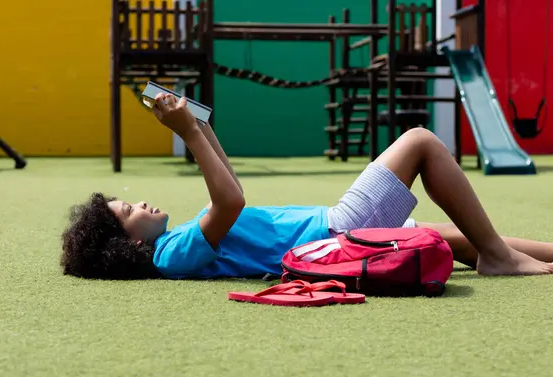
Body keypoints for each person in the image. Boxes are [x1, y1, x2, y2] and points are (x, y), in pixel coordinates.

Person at [60, 92, 553, 280]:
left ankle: (509, 253)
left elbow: (228, 187)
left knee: (454, 237)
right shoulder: (171, 256)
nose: (141, 203)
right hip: (335, 234)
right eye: (129, 210)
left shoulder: (176, 244)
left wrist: (201, 127)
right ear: (127, 243)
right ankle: (499, 259)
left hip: (334, 235)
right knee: (420, 142)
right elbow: (230, 200)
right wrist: (187, 133)